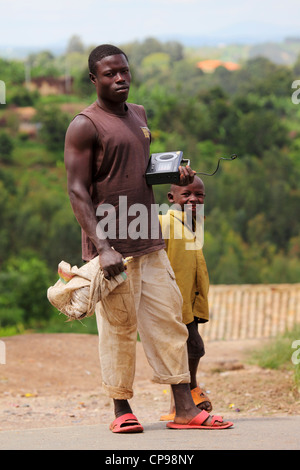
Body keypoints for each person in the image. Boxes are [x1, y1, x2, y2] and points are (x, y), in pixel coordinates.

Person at [64, 44, 233, 432]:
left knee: (169, 322)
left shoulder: (139, 115)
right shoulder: (84, 124)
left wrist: (177, 176)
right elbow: (76, 190)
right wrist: (103, 248)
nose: (120, 78)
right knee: (119, 328)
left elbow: (140, 172)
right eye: (110, 74)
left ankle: (185, 410)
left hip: (148, 238)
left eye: (124, 71)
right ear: (94, 79)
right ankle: (121, 411)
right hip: (112, 248)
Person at [159, 176, 212, 421]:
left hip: (189, 302)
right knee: (194, 348)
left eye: (199, 195)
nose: (194, 199)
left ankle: (177, 405)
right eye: (187, 194)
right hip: (173, 302)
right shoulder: (165, 223)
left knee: (190, 350)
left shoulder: (193, 225)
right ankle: (186, 398)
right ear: (171, 198)